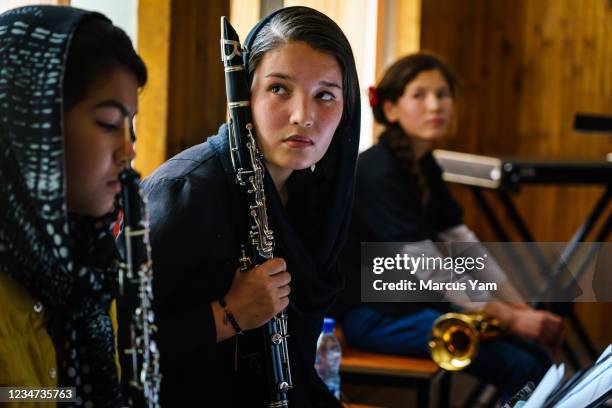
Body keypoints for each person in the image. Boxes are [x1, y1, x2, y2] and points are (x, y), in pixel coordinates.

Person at [142, 6, 360, 407]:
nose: (303, 116)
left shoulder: (314, 198)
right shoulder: (184, 192)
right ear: (246, 93)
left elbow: (294, 368)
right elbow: (113, 343)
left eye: (325, 95)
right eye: (280, 89)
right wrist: (228, 314)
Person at [334, 53, 564, 401]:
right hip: (373, 315)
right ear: (392, 109)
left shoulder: (424, 164)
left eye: (443, 94)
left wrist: (522, 311)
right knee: (519, 365)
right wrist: (511, 319)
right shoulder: (378, 171)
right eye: (420, 95)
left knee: (533, 357)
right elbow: (430, 269)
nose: (435, 105)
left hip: (414, 305)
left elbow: (464, 246)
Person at [0, 6, 147, 407]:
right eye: (107, 123)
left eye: (130, 126)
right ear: (31, 127)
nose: (128, 150)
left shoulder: (89, 267)